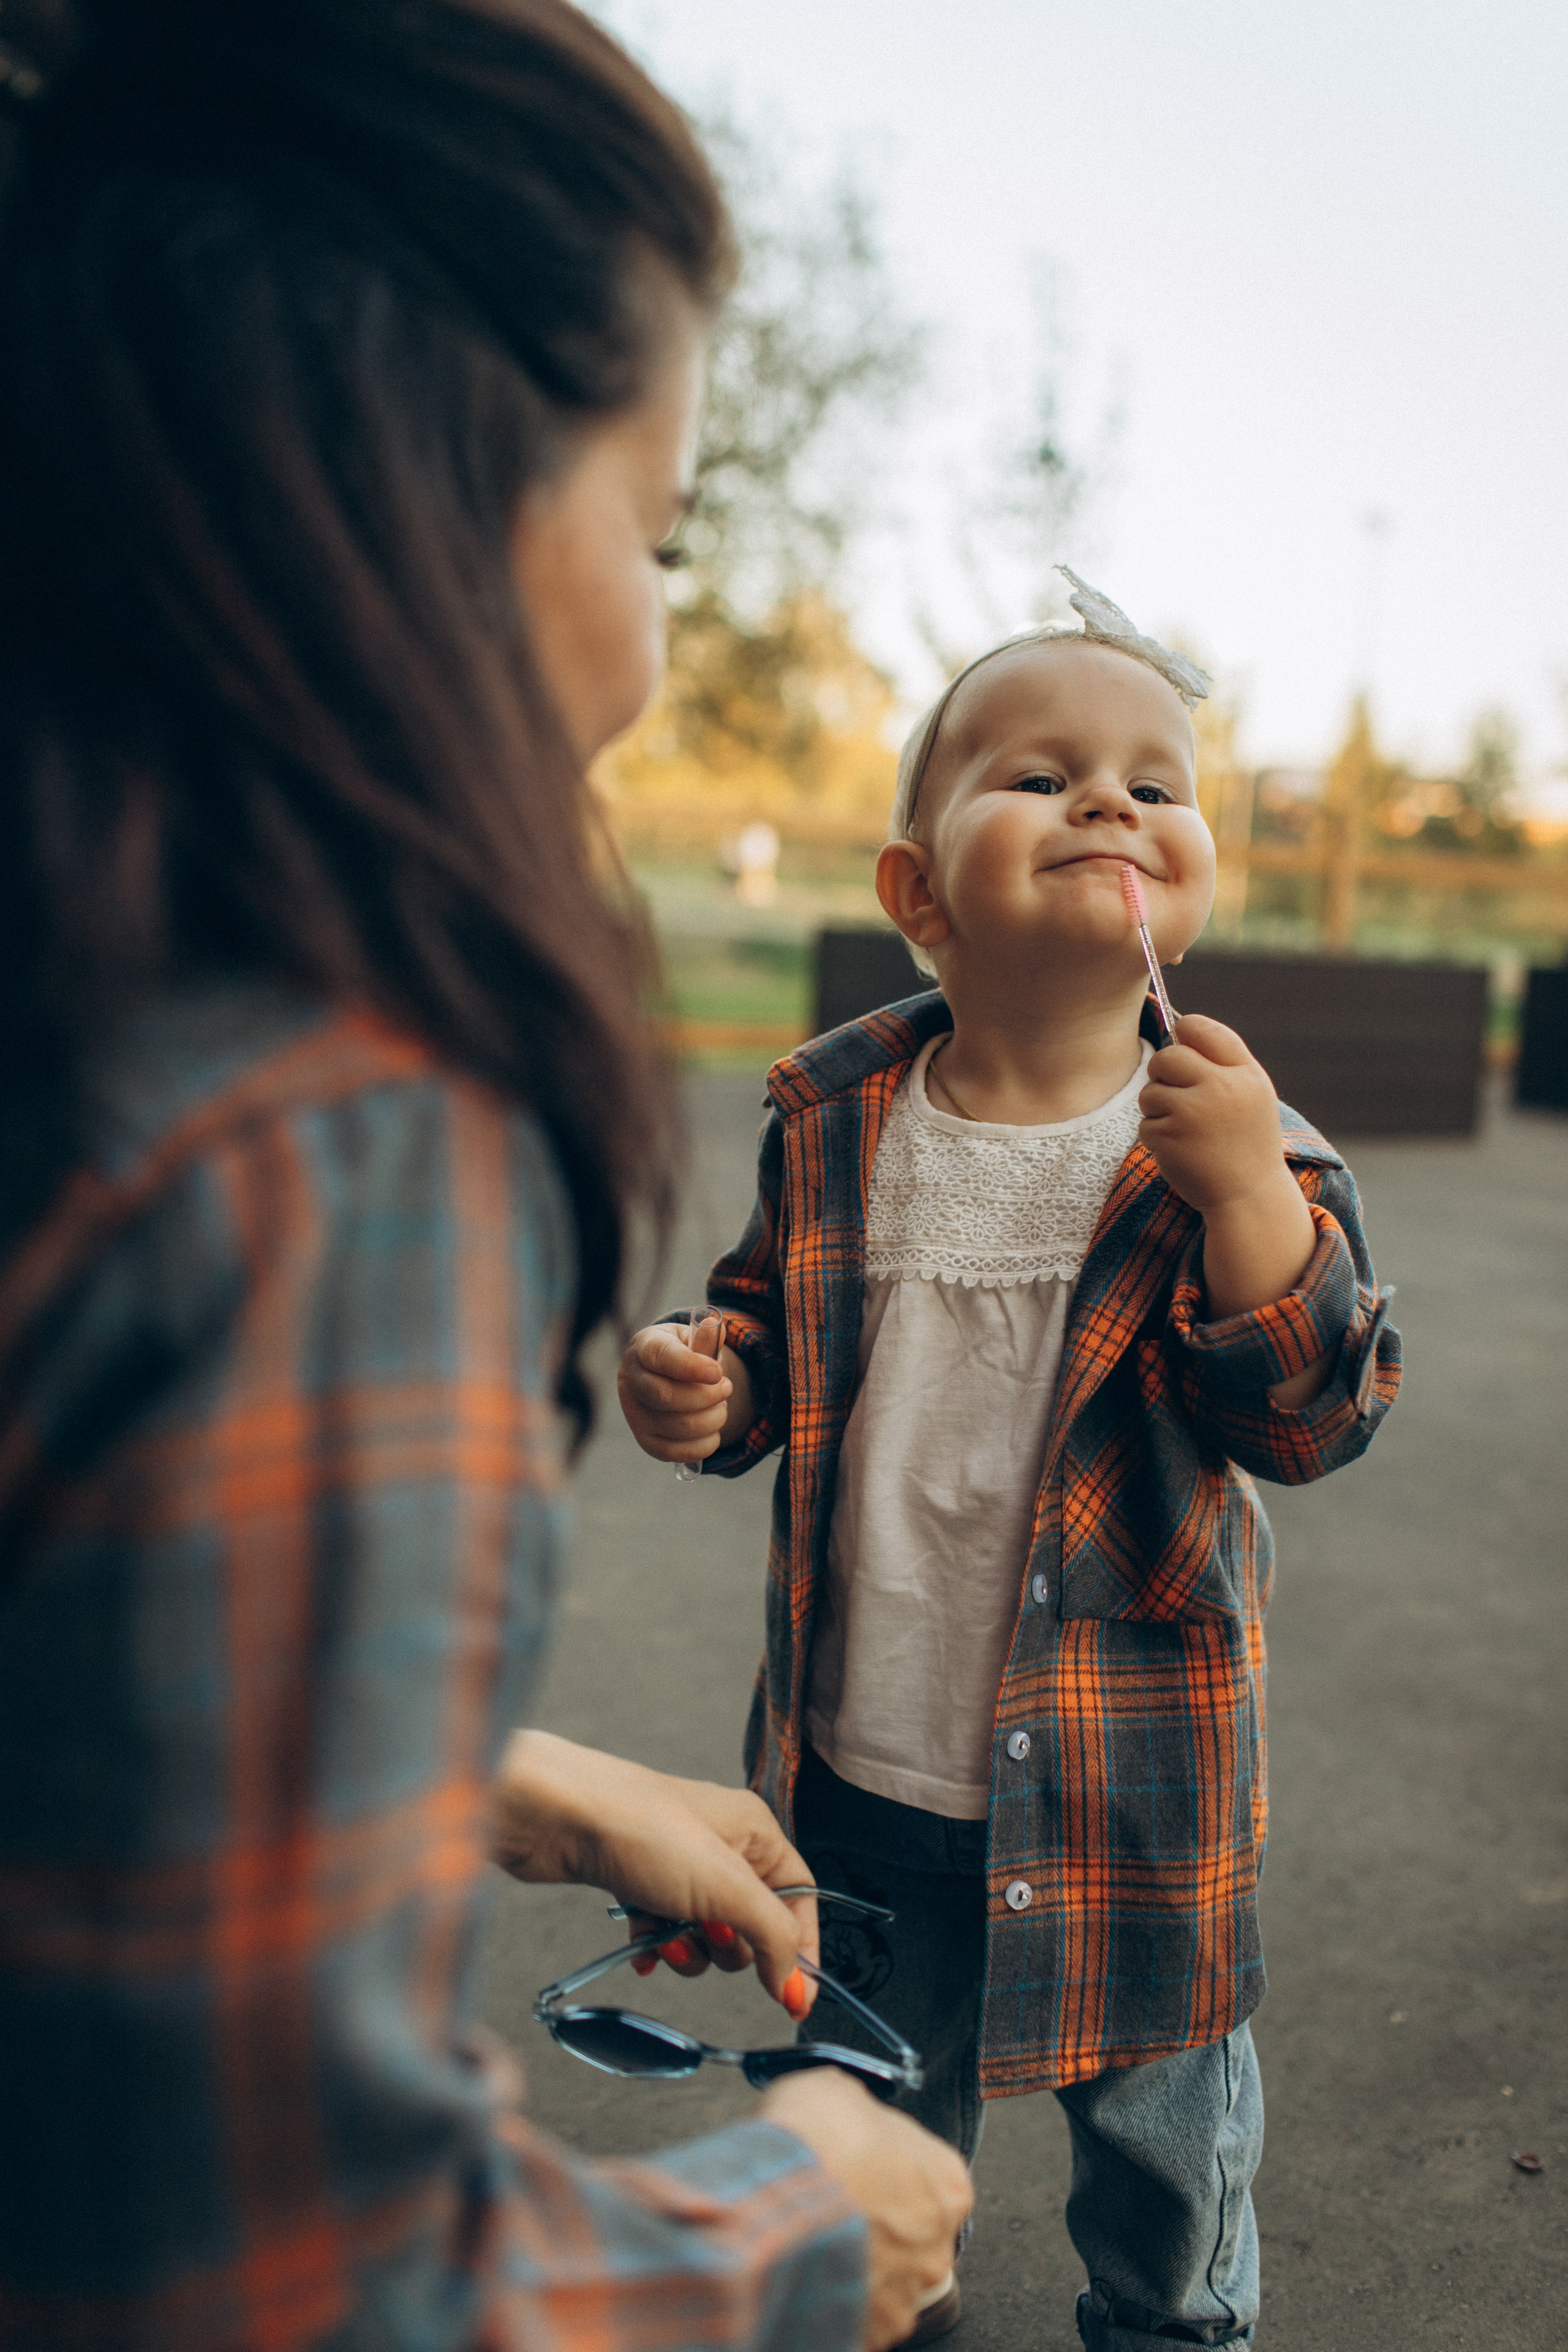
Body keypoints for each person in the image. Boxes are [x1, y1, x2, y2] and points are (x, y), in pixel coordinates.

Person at [0, 2, 972, 2346]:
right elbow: (282, 2278)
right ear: (416, 470)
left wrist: (481, 1776)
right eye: (658, 530)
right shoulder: (327, 1144)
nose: (651, 645)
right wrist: (802, 2225)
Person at [618, 579, 1404, 2351]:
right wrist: (709, 1385)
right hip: (862, 1765)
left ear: (1194, 884)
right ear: (918, 895)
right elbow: (771, 1338)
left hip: (1137, 1788)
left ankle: (1171, 2331)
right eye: (1042, 776)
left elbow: (1311, 1419)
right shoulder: (838, 1121)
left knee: (1163, 2157)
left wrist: (1249, 1202)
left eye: (1155, 783)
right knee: (863, 2139)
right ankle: (880, 2309)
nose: (1109, 801)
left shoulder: (1241, 1144)